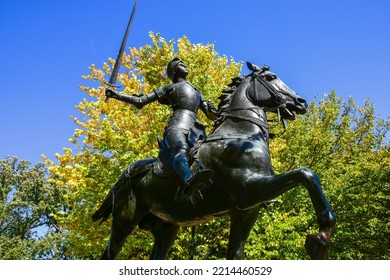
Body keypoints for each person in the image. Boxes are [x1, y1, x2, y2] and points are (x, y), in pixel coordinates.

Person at [105, 58, 216, 197]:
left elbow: (211, 116)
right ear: (174, 71)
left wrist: (211, 110)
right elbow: (141, 101)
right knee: (180, 148)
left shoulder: (196, 91)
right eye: (180, 64)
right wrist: (117, 95)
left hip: (196, 130)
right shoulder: (169, 88)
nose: (184, 65)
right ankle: (188, 181)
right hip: (176, 127)